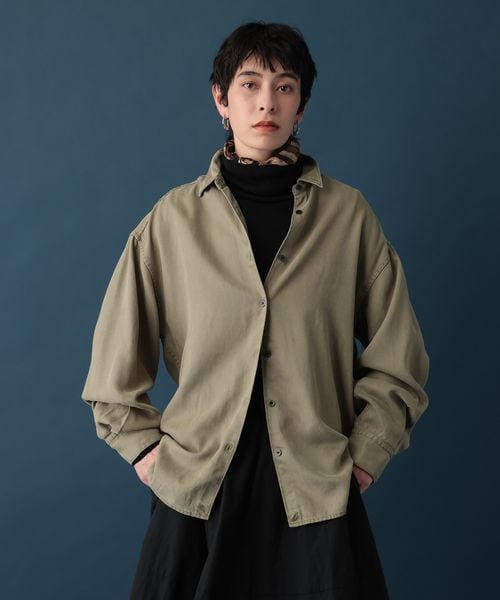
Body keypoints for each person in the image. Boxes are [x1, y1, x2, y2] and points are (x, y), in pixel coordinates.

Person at [81, 21, 429, 600]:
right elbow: (112, 377)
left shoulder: (349, 218)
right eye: (249, 84)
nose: (267, 101)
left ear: (302, 106)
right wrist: (147, 454)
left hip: (316, 492)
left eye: (285, 86)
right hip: (197, 493)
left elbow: (400, 361)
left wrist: (367, 455)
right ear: (221, 100)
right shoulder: (171, 222)